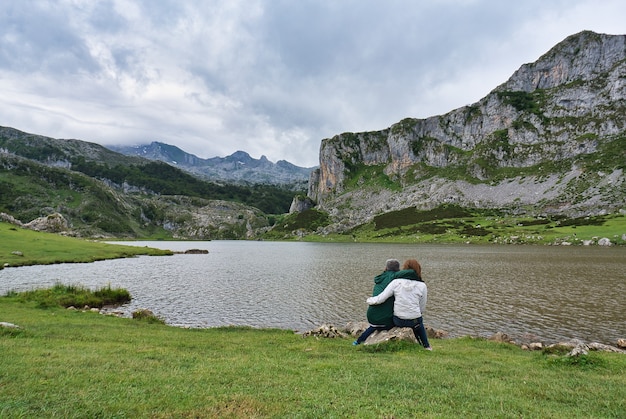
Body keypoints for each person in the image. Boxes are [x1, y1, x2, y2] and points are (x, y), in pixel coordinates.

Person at [366, 259, 432, 350]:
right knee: (418, 324)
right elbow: (422, 308)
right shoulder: (422, 286)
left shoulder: (396, 282)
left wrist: (370, 300)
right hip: (414, 320)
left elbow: (381, 298)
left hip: (398, 320)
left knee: (402, 318)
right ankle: (426, 346)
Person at [352, 258, 400, 345]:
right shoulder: (397, 279)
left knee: (373, 327)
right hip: (385, 319)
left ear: (386, 268)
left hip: (371, 316)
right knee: (401, 322)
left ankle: (357, 341)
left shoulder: (380, 278)